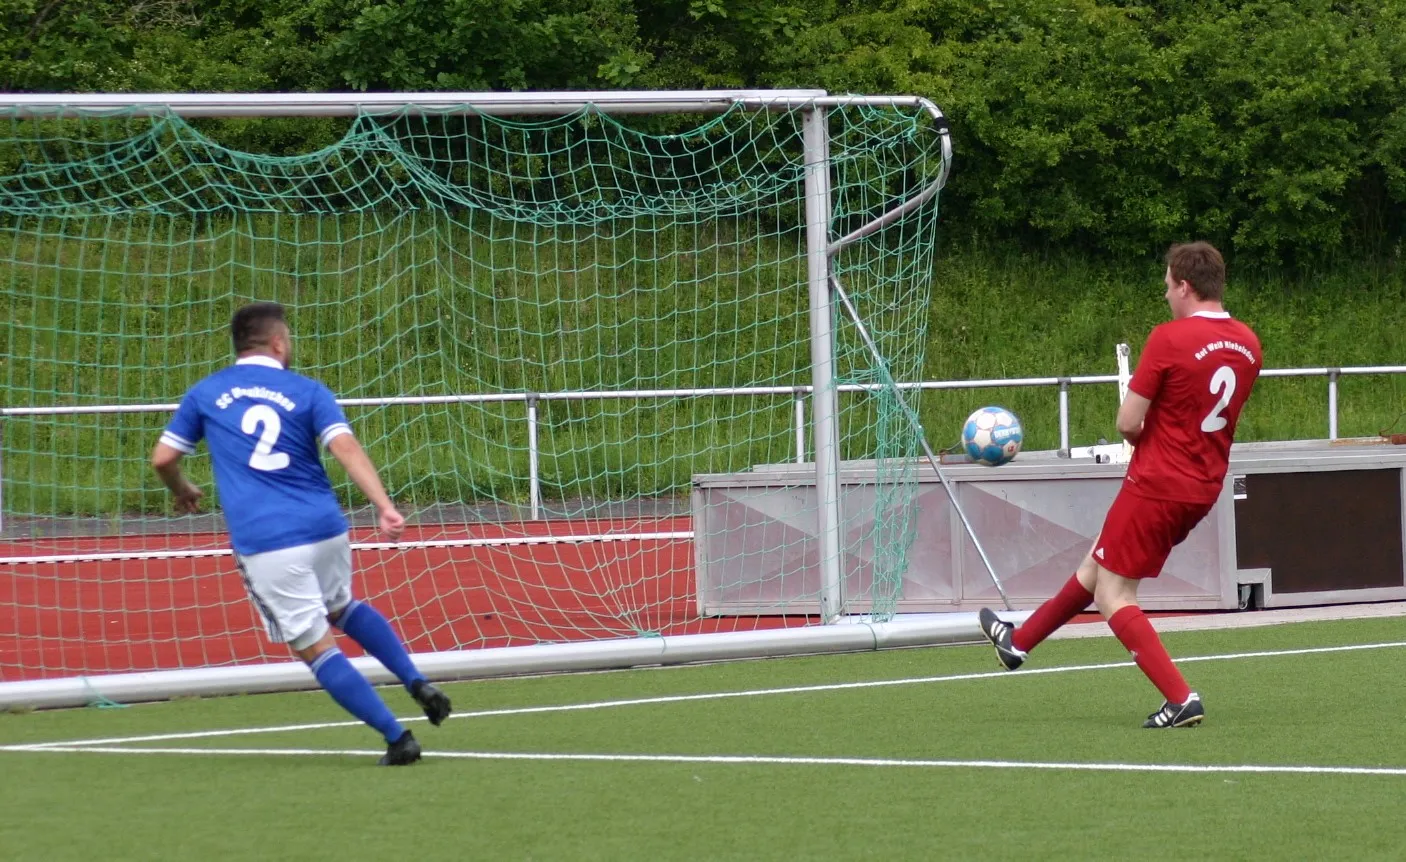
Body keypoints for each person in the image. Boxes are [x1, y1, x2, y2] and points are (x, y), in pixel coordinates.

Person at [150, 301, 451, 764]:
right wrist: (385, 506)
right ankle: (415, 680)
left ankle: (397, 738)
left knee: (314, 646)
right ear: (277, 343)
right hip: (325, 527)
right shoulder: (307, 391)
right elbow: (345, 446)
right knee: (341, 606)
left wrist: (184, 488)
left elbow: (163, 458)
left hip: (267, 539)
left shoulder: (206, 393)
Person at [978, 241, 1261, 728]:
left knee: (1114, 594)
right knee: (1098, 566)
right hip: (1202, 484)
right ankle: (1017, 643)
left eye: (1168, 286)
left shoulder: (1169, 338)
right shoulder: (1248, 343)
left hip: (1157, 480)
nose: (1166, 295)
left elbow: (1129, 422)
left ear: (1185, 285)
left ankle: (1179, 698)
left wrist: (1153, 435)